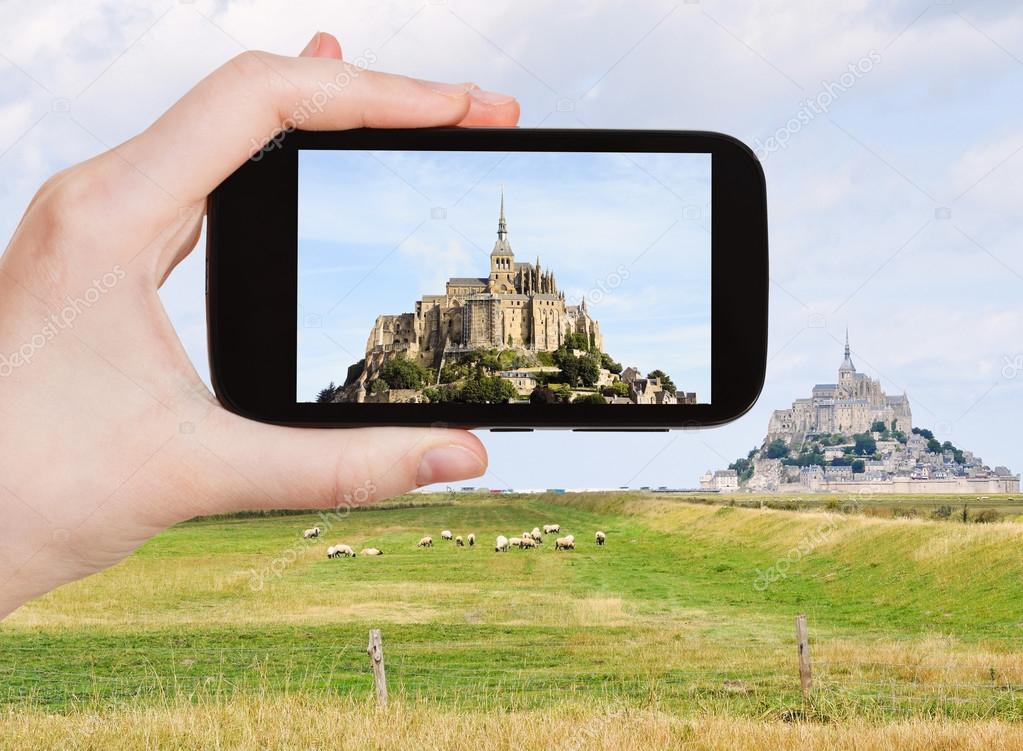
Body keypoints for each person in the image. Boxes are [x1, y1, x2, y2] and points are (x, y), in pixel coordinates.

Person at [0, 32, 519, 620]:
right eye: (499, 263)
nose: (500, 269)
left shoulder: (522, 289)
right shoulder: (454, 300)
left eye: (503, 266)